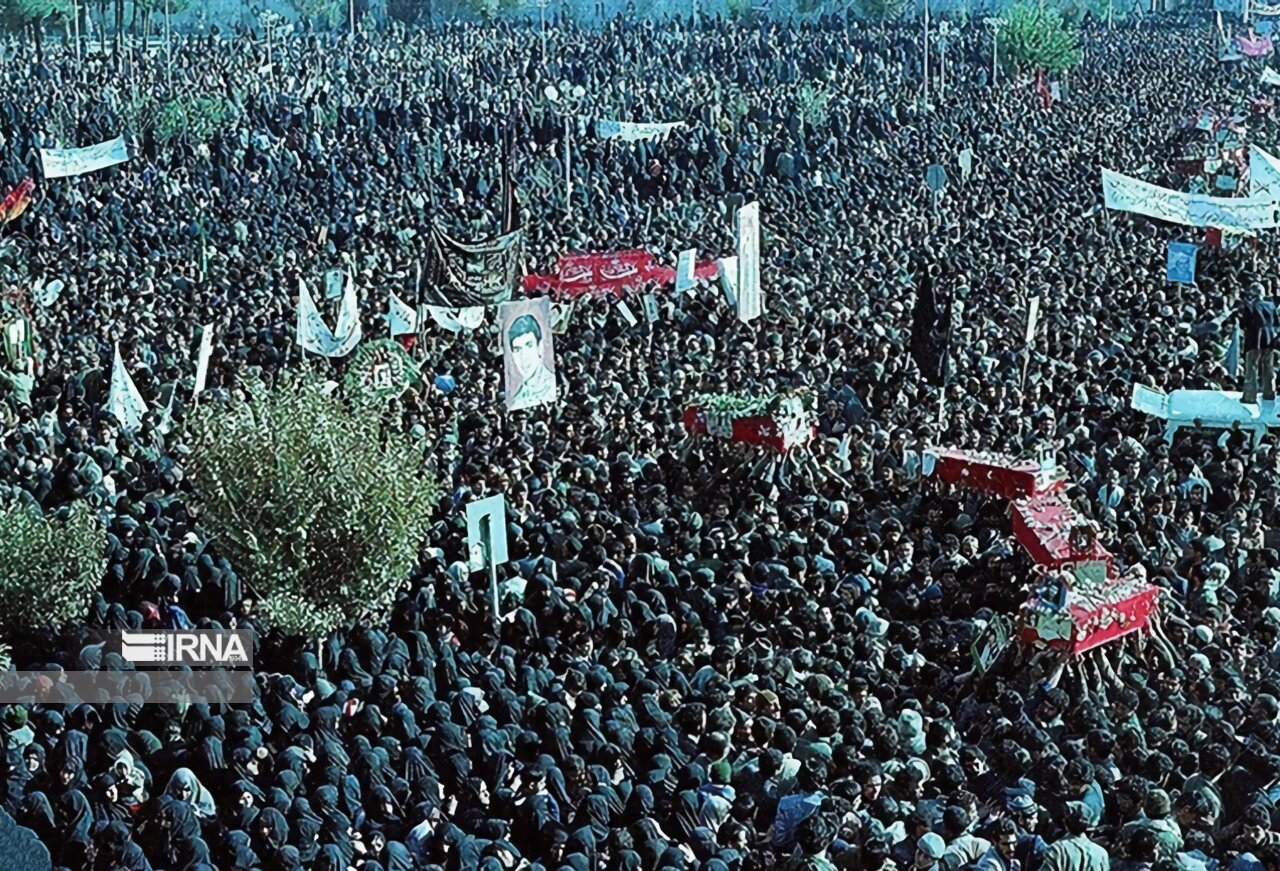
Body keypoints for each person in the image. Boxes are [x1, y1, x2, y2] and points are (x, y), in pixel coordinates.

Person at [506, 313, 557, 410]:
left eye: (529, 345)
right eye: (517, 350)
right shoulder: (517, 399)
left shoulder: (551, 386)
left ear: (540, 347)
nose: (523, 357)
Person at [1241, 288, 1278, 405]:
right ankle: (1270, 393)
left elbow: (1244, 324)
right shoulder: (1271, 305)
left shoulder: (1250, 306)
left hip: (1254, 340)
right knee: (1269, 367)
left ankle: (1250, 396)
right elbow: (1276, 323)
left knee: (1252, 368)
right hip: (1269, 340)